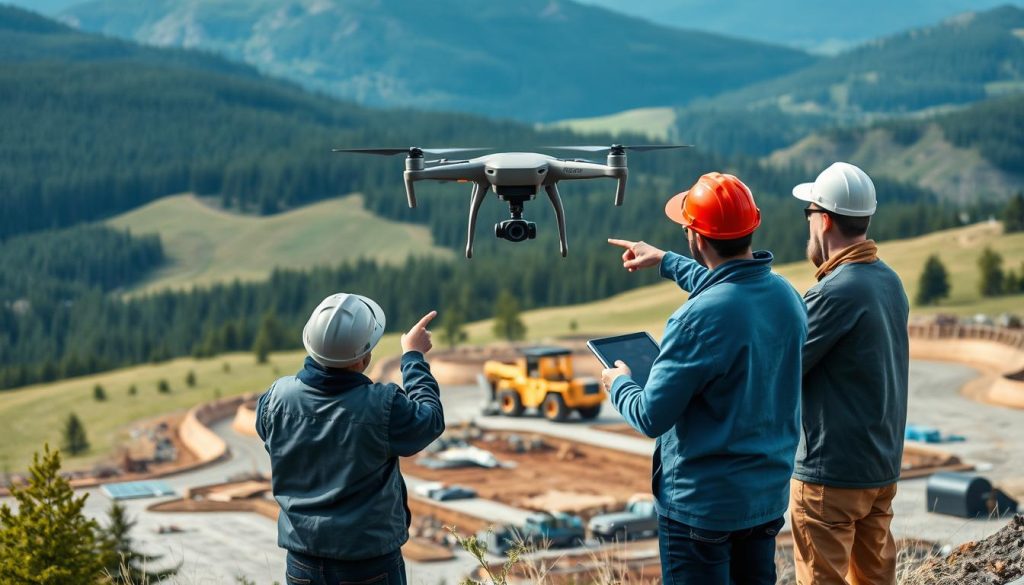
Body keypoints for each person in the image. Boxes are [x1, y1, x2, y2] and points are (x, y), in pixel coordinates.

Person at [605, 172, 807, 585]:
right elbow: (731, 286)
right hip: (764, 502)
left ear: (696, 237)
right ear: (751, 227)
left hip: (701, 511)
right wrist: (664, 260)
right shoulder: (786, 297)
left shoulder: (696, 320)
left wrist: (619, 384)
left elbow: (650, 416)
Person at [255, 293, 444, 585]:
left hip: (302, 562)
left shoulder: (275, 399)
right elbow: (429, 420)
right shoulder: (384, 406)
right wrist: (413, 357)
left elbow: (269, 435)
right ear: (364, 358)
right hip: (368, 565)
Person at [789, 162, 909, 585]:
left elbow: (781, 368)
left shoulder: (834, 291)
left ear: (822, 220)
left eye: (808, 216)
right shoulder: (888, 281)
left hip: (830, 478)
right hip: (880, 470)